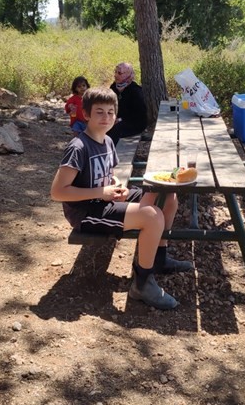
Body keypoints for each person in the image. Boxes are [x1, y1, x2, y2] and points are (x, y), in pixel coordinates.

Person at [51, 86, 193, 310]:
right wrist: (101, 193)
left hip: (105, 199)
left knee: (167, 194)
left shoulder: (107, 141)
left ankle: (158, 258)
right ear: (86, 114)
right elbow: (58, 192)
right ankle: (143, 284)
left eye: (110, 112)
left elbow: (109, 174)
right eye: (99, 112)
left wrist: (118, 186)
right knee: (152, 216)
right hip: (86, 212)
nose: (106, 117)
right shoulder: (78, 148)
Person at [107, 62, 148, 145]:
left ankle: (110, 150)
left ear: (128, 75)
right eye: (115, 72)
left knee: (116, 130)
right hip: (117, 120)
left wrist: (120, 119)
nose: (115, 75)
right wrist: (112, 117)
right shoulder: (113, 87)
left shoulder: (135, 91)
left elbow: (139, 114)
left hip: (135, 122)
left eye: (119, 73)